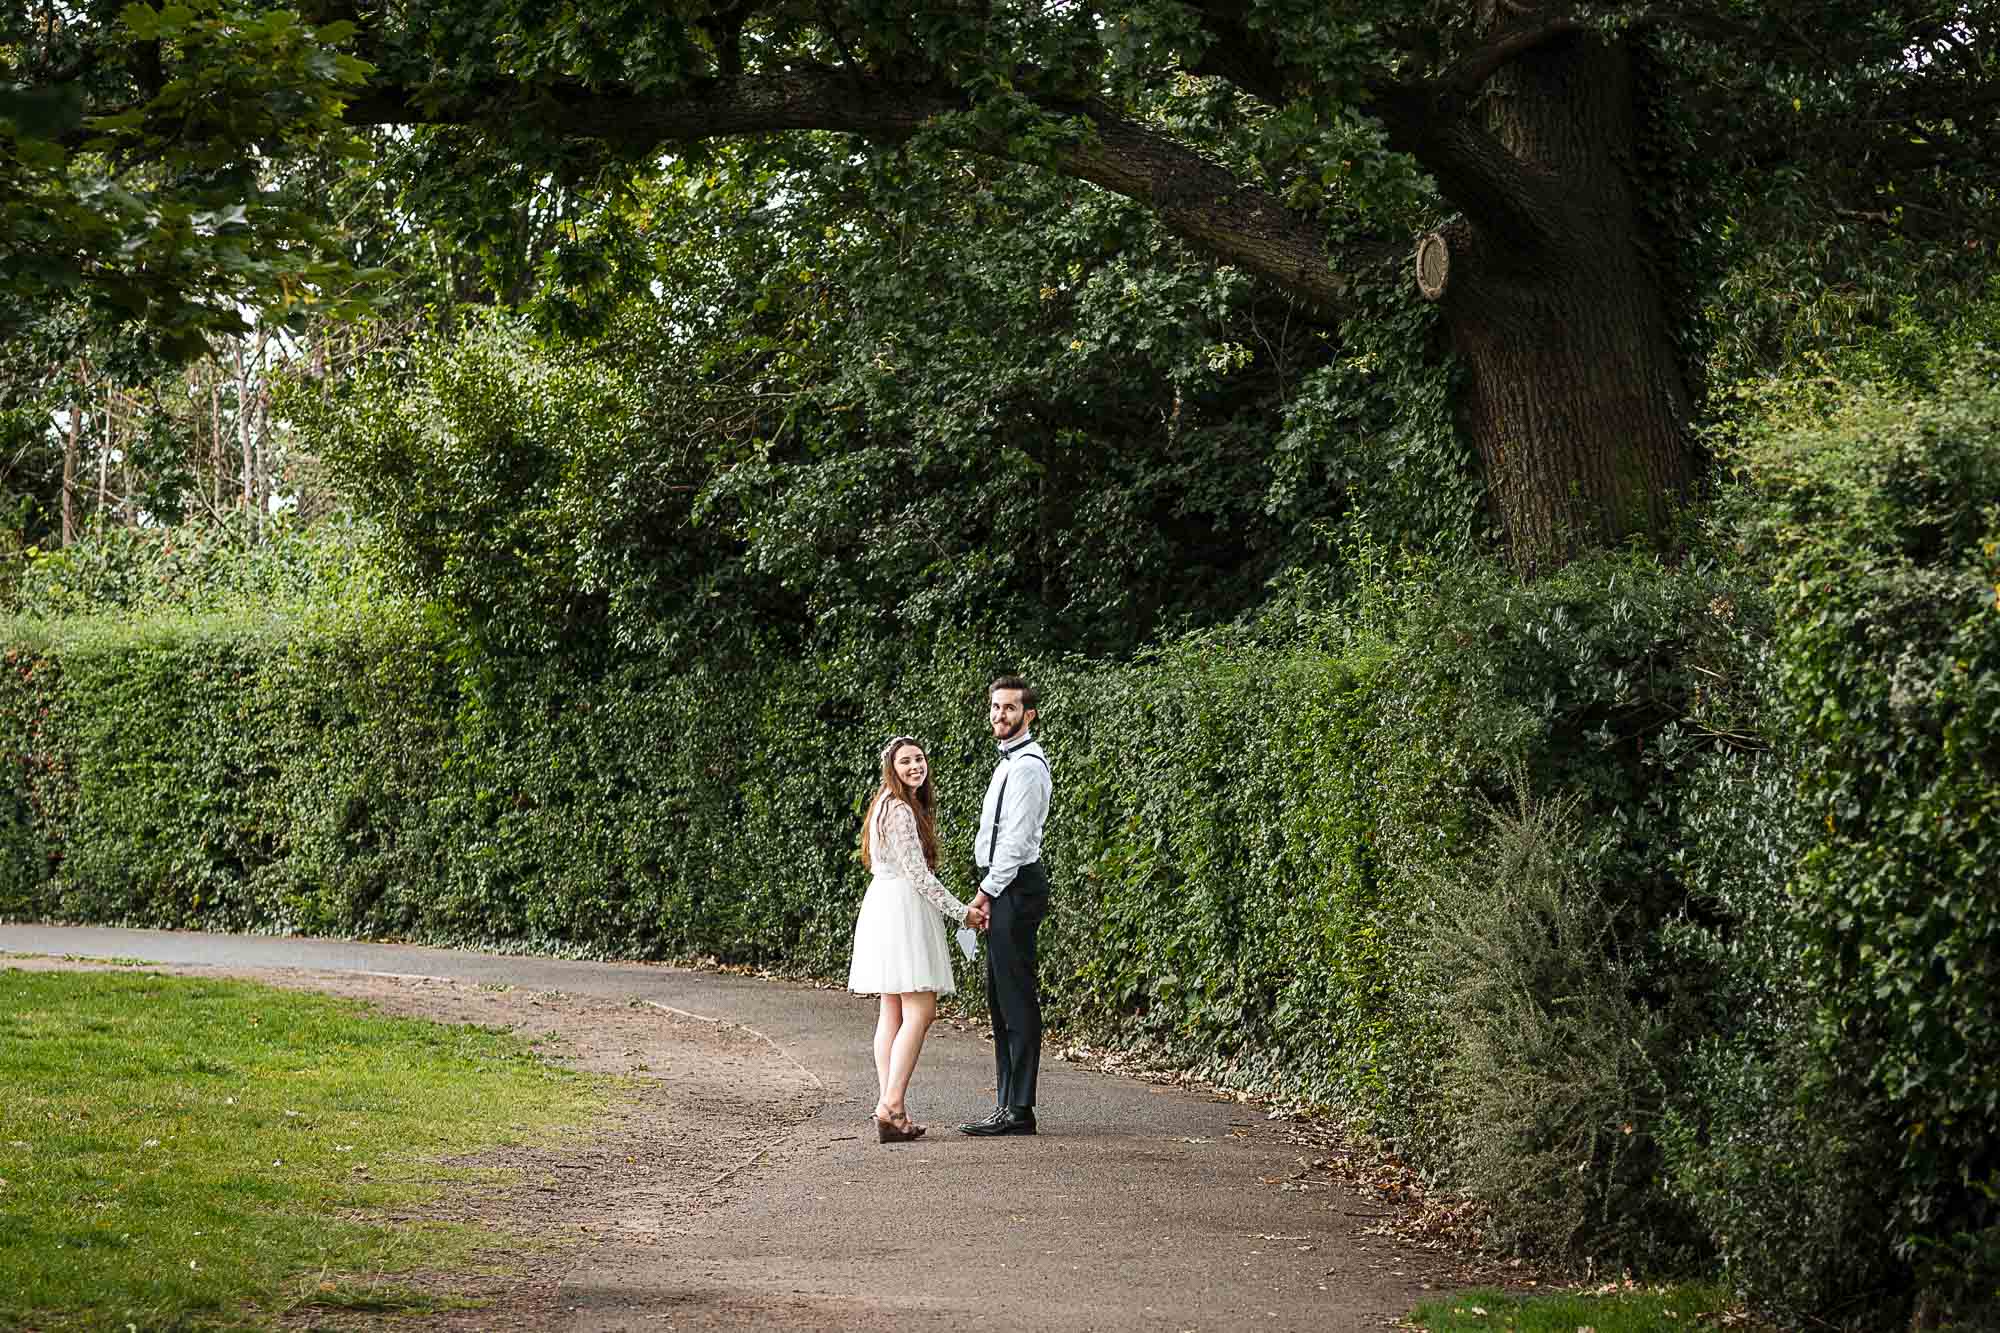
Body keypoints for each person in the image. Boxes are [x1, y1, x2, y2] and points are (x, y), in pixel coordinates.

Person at [848, 735, 989, 1143]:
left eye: (919, 759)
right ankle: (889, 1106)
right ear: (891, 768)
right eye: (906, 761)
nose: (915, 766)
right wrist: (963, 911)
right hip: (902, 911)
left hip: (884, 907)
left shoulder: (884, 806)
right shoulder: (900, 811)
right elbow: (919, 876)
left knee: (892, 1011)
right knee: (922, 1010)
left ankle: (895, 1108)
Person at [959, 674, 1053, 1138]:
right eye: (996, 707)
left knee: (1014, 999)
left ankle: (1019, 1110)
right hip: (1006, 887)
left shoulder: (1028, 766)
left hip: (1015, 887)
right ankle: (1007, 1105)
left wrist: (986, 893)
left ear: (1028, 715)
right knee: (1000, 998)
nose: (1000, 715)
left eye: (1010, 708)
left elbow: (1014, 844)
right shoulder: (1006, 764)